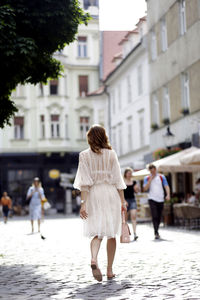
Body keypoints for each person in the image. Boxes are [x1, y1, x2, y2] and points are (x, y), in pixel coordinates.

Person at [74, 124, 126, 282]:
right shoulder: (111, 154)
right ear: (104, 137)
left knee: (97, 232)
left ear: (89, 137)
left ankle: (94, 259)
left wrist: (83, 204)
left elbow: (84, 183)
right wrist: (123, 201)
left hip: (93, 195)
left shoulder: (84, 155)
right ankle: (110, 270)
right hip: (110, 194)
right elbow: (118, 180)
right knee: (111, 234)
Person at [143, 164, 170, 239]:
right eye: (151, 171)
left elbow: (166, 186)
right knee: (154, 215)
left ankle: (156, 230)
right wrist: (150, 180)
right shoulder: (147, 178)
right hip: (152, 199)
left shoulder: (161, 177)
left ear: (155, 169)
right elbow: (145, 188)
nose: (153, 172)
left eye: (154, 170)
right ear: (149, 171)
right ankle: (156, 232)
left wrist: (168, 194)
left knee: (159, 216)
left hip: (160, 199)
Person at [124, 168, 139, 241]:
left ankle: (135, 233)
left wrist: (136, 189)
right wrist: (123, 201)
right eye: (128, 173)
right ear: (125, 174)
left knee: (133, 216)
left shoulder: (134, 182)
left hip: (132, 200)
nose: (130, 174)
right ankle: (125, 234)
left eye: (131, 173)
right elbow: (120, 193)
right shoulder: (122, 182)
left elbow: (137, 192)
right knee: (125, 219)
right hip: (125, 201)